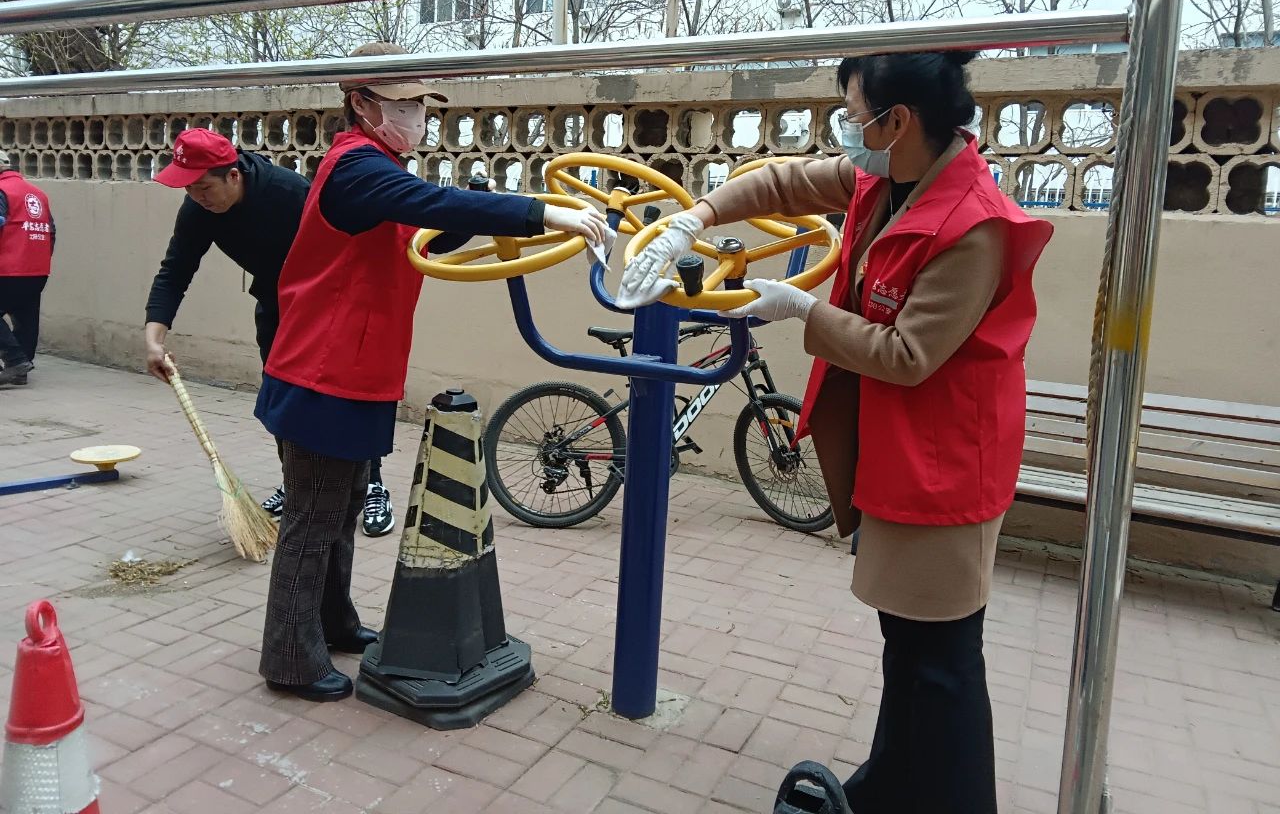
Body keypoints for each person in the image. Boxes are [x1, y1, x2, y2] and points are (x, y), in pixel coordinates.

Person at [618, 50, 1053, 813]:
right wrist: (696, 217)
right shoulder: (888, 178)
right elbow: (784, 181)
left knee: (944, 664)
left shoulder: (971, 227)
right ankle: (888, 789)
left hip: (947, 464)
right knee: (908, 651)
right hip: (897, 449)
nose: (846, 132)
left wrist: (801, 308)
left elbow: (909, 355)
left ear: (897, 121)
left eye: (853, 117)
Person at [255, 42, 610, 702]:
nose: (415, 115)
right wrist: (542, 211)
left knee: (342, 507)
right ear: (360, 104)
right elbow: (430, 203)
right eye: (402, 103)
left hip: (353, 371)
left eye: (420, 103)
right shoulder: (356, 168)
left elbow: (420, 228)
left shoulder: (378, 170)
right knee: (314, 516)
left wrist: (479, 213)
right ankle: (290, 658)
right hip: (321, 374)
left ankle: (332, 623)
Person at [144, 129, 398, 536]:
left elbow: (350, 248)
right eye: (188, 188)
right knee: (283, 402)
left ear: (233, 176)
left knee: (344, 398)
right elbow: (175, 270)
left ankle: (372, 484)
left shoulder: (289, 193)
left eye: (203, 187)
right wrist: (154, 338)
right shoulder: (198, 209)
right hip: (278, 305)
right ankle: (297, 483)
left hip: (331, 303)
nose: (196, 197)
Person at [0, 161, 54, 387]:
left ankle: (16, 361)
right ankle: (21, 368)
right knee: (26, 317)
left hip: (7, 268)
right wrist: (41, 258)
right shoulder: (38, 193)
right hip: (37, 269)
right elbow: (51, 231)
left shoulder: (2, 191)